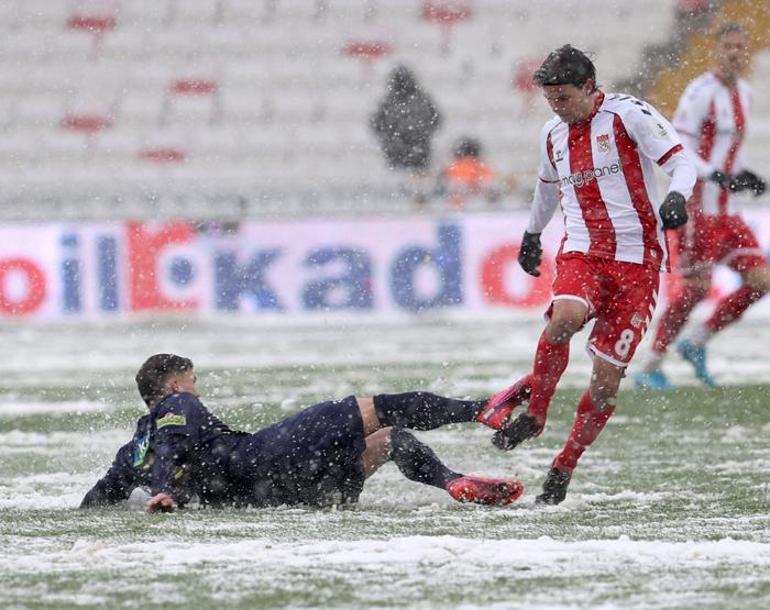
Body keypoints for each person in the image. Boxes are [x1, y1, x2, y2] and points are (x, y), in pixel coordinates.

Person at [481, 45, 697, 505]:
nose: (556, 107)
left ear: (588, 87)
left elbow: (682, 161)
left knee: (604, 386)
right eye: (549, 99)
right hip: (583, 251)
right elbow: (547, 188)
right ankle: (536, 415)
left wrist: (676, 197)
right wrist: (531, 234)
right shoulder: (552, 134)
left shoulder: (628, 115)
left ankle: (564, 466)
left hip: (638, 262)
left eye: (562, 97)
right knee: (562, 320)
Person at [80, 354, 529, 512]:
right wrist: (162, 492)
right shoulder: (177, 404)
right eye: (193, 380)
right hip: (262, 458)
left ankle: (455, 480)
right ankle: (481, 411)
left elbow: (102, 494)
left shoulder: (129, 455)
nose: (196, 389)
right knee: (374, 411)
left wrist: (84, 513)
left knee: (389, 439)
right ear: (176, 384)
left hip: (276, 494)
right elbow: (175, 441)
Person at [635, 23, 768, 390]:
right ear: (715, 50)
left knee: (762, 280)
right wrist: (716, 176)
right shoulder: (699, 93)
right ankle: (651, 364)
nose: (734, 53)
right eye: (727, 46)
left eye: (740, 47)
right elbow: (681, 149)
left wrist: (745, 175)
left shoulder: (745, 93)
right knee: (695, 288)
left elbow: (726, 155)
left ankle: (696, 341)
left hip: (727, 211)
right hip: (697, 210)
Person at [371, 65, 442, 204]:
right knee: (418, 192)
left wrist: (394, 138)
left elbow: (376, 125)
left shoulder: (389, 102)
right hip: (418, 154)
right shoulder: (421, 100)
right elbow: (436, 120)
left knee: (399, 194)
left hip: (398, 154)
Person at [438, 136, 501, 209]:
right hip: (482, 207)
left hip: (457, 206)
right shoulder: (483, 167)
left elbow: (444, 186)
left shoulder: (453, 167)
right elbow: (491, 187)